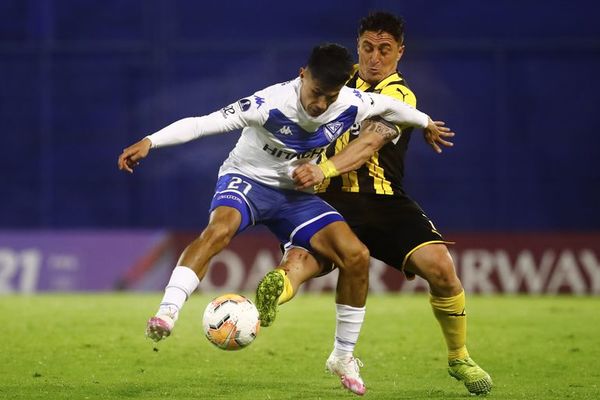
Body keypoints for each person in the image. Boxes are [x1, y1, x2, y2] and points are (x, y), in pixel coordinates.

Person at [118, 43, 453, 396]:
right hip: (247, 181)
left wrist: (427, 122)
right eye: (316, 93)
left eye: (330, 96)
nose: (320, 104)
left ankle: (342, 357)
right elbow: (203, 124)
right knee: (219, 230)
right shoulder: (269, 103)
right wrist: (150, 142)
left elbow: (393, 106)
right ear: (302, 75)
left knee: (355, 256)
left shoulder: (352, 102)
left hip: (295, 195)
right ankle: (168, 311)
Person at [254, 12, 493, 396]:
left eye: (384, 50)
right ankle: (267, 299)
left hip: (381, 201)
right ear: (358, 46)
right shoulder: (335, 80)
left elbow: (369, 144)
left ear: (400, 52)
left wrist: (324, 168)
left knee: (441, 268)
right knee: (298, 263)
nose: (374, 58)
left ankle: (459, 356)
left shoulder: (399, 96)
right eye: (367, 48)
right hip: (326, 198)